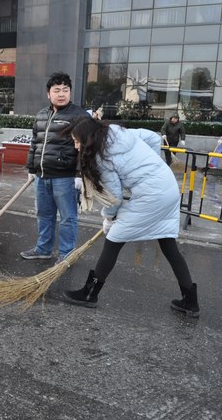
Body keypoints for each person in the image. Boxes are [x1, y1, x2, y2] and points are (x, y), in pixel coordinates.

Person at [62, 115, 199, 317]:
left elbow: (114, 198)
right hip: (168, 186)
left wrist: (108, 218)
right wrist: (153, 165)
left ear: (88, 138)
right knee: (168, 244)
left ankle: (90, 293)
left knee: (114, 239)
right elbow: (153, 137)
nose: (75, 146)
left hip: (151, 195)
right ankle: (190, 301)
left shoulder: (101, 157)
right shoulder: (119, 132)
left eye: (76, 141)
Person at [22, 72, 86, 261]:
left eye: (65, 90)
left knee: (67, 218)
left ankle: (67, 254)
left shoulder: (79, 115)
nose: (61, 94)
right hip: (42, 176)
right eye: (56, 90)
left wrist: (80, 174)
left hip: (65, 177)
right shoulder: (42, 115)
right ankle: (43, 249)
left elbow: (85, 147)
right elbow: (35, 144)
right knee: (44, 214)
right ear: (48, 94)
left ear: (70, 93)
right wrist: (31, 169)